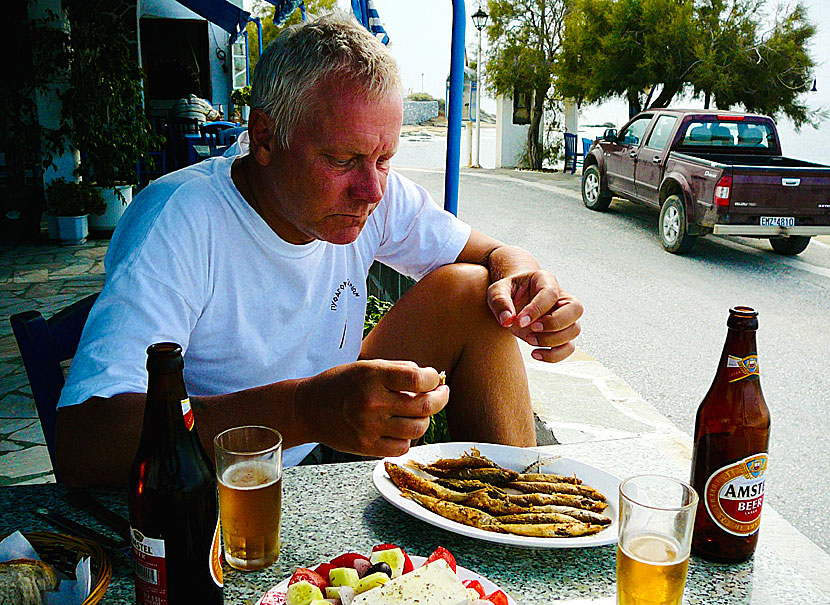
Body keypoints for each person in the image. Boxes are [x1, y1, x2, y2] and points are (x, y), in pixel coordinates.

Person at [54, 14, 583, 488]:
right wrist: (303, 410)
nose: (372, 192)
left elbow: (490, 254)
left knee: (476, 292)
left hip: (325, 438)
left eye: (384, 159)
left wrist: (523, 277)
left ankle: (517, 521)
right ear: (263, 138)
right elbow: (83, 442)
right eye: (340, 159)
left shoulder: (375, 186)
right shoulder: (179, 219)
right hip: (222, 480)